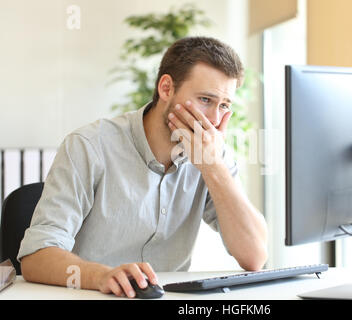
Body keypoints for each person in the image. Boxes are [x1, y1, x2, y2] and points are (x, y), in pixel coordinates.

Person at [18, 36, 268, 298]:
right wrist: (102, 275)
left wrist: (213, 167)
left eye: (224, 106)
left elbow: (254, 257)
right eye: (206, 99)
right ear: (166, 88)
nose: (215, 120)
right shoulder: (89, 146)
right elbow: (36, 257)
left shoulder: (212, 154)